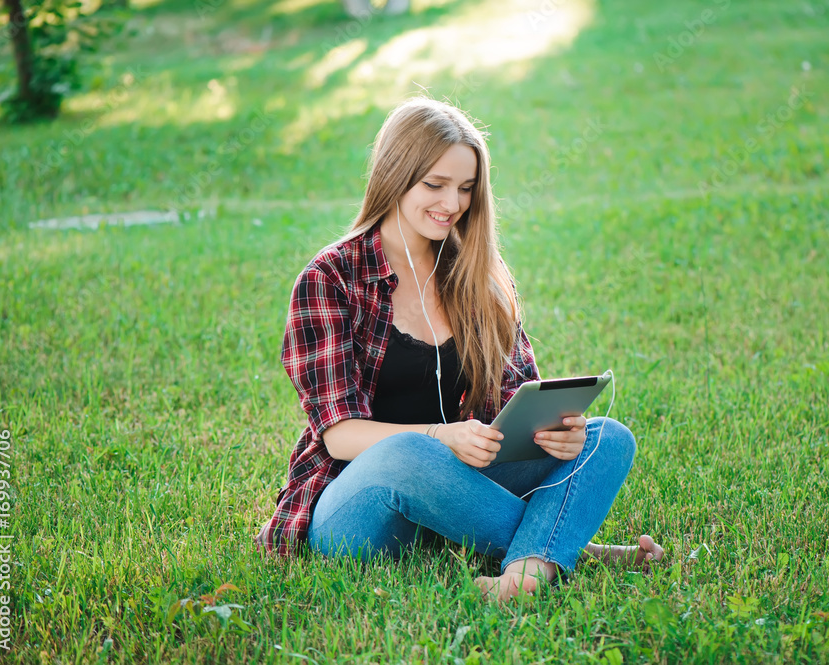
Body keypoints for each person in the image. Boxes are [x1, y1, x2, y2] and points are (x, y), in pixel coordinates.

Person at [254, 97, 664, 601]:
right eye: (435, 185)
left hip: (459, 492)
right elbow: (339, 437)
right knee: (409, 452)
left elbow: (514, 402)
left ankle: (524, 576)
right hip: (359, 509)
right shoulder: (330, 278)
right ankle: (567, 549)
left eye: (466, 188)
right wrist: (441, 437)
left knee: (608, 437)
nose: (452, 204)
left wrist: (555, 434)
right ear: (395, 174)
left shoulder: (477, 277)